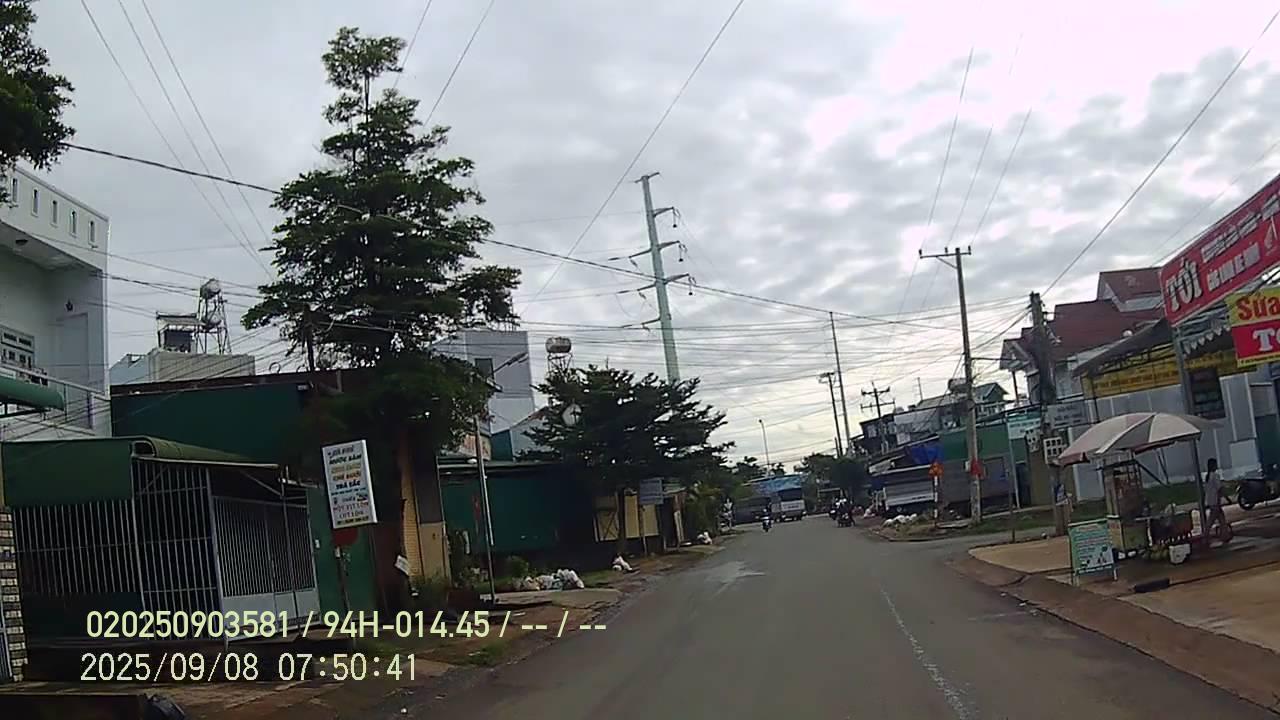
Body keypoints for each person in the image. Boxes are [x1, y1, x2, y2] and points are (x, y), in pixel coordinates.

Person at [1204, 457, 1228, 538]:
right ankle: (1206, 535)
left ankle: (1224, 535)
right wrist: (1227, 498)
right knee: (1213, 520)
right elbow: (1219, 489)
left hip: (1211, 501)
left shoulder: (1207, 476)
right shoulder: (1215, 476)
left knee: (1221, 519)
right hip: (1216, 501)